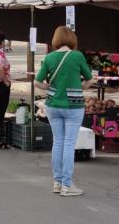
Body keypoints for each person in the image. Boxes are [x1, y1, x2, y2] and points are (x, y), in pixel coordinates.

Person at [34, 26, 93, 197]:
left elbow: (37, 82)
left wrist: (49, 87)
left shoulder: (50, 57)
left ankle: (57, 182)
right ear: (72, 39)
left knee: (57, 143)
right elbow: (89, 80)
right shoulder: (77, 56)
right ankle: (67, 185)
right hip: (74, 105)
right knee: (68, 144)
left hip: (53, 104)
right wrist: (79, 86)